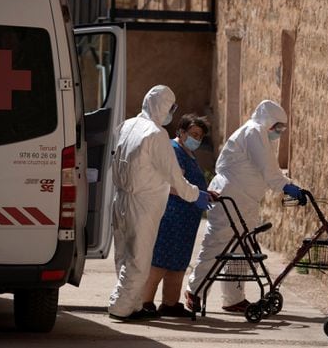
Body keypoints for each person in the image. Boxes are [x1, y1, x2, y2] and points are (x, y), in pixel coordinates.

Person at [185, 99, 306, 313]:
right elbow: (268, 169)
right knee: (218, 244)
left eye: (282, 128)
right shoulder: (254, 131)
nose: (279, 132)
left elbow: (266, 169)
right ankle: (195, 291)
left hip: (246, 199)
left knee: (242, 249)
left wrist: (284, 183)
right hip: (231, 197)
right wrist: (286, 186)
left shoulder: (259, 135)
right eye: (277, 127)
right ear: (268, 121)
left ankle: (233, 298)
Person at [108, 85, 212, 321]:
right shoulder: (155, 134)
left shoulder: (127, 125)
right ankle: (121, 307)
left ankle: (132, 304)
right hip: (143, 202)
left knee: (124, 256)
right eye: (171, 107)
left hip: (121, 198)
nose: (171, 112)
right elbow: (174, 175)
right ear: (163, 106)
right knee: (139, 260)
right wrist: (196, 195)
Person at [142, 114, 211, 317]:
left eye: (200, 136)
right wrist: (196, 195)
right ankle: (145, 302)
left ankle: (170, 303)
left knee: (178, 261)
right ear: (180, 132)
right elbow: (171, 183)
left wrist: (203, 195)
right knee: (160, 259)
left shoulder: (188, 153)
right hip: (172, 215)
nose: (196, 139)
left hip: (186, 219)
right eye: (193, 134)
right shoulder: (173, 151)